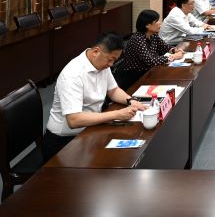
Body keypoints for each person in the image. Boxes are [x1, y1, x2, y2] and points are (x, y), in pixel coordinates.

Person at [43, 32, 147, 161]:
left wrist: (131, 101)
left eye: (114, 60)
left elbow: (113, 90)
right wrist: (117, 114)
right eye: (110, 59)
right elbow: (74, 120)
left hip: (90, 128)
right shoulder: (72, 75)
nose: (111, 64)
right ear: (96, 52)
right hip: (65, 141)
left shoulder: (101, 64)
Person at [114, 9, 184, 91]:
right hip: (135, 77)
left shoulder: (153, 35)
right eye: (156, 21)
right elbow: (150, 61)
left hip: (149, 72)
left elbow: (165, 47)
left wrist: (174, 50)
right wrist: (173, 57)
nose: (160, 23)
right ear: (147, 25)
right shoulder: (137, 39)